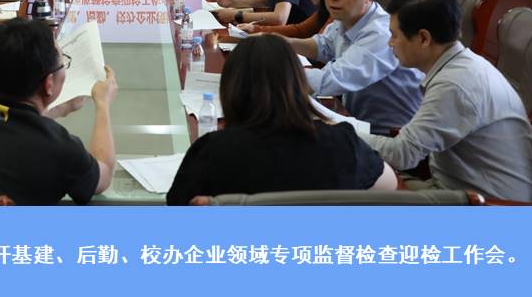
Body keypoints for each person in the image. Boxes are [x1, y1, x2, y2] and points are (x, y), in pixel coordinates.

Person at [166, 35, 396, 205]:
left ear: (230, 89)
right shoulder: (342, 142)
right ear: (298, 84)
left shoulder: (212, 151)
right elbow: (388, 186)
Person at [361, 0, 532, 202]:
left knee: (356, 180)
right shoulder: (463, 65)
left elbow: (402, 154)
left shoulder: (455, 84)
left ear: (424, 38)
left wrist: (343, 134)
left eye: (394, 35)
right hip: (459, 190)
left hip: (488, 208)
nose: (390, 43)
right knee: (361, 172)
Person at [0, 18, 118, 205]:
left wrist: (59, 110)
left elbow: (10, 127)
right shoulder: (61, 148)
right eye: (63, 63)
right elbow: (104, 175)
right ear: (49, 84)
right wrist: (103, 104)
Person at [284, 0, 422, 135]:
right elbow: (323, 46)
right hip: (354, 119)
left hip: (388, 135)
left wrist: (276, 74)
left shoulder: (380, 34)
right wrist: (282, 44)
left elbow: (332, 80)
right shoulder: (346, 17)